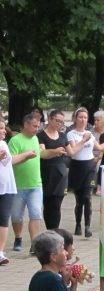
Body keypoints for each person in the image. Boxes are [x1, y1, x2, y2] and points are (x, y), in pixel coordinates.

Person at [67, 107, 104, 236]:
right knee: (79, 199)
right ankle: (78, 224)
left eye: (85, 117)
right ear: (75, 119)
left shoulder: (90, 134)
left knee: (88, 197)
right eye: (80, 117)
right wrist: (83, 140)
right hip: (77, 167)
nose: (83, 120)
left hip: (89, 166)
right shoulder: (71, 134)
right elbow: (73, 151)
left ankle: (87, 227)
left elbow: (100, 148)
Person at [9, 113, 43, 254]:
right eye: (35, 126)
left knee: (36, 214)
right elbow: (11, 161)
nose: (37, 129)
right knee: (16, 216)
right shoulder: (15, 140)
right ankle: (18, 237)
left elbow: (41, 154)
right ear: (26, 124)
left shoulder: (35, 138)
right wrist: (26, 156)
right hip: (18, 186)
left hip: (36, 185)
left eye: (38, 126)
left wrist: (54, 152)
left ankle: (34, 245)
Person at [37, 109, 70, 229]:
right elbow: (42, 153)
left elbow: (71, 152)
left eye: (62, 122)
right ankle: (50, 230)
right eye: (57, 121)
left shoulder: (63, 136)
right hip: (46, 173)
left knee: (57, 205)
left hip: (61, 174)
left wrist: (83, 141)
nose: (59, 124)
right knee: (48, 204)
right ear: (50, 119)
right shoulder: (41, 136)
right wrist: (55, 152)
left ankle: (55, 231)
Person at [0, 120, 18, 266]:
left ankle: (0, 252)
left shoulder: (4, 144)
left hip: (7, 188)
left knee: (4, 219)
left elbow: (8, 162)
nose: (4, 130)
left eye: (4, 127)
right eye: (0, 128)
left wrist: (26, 155)